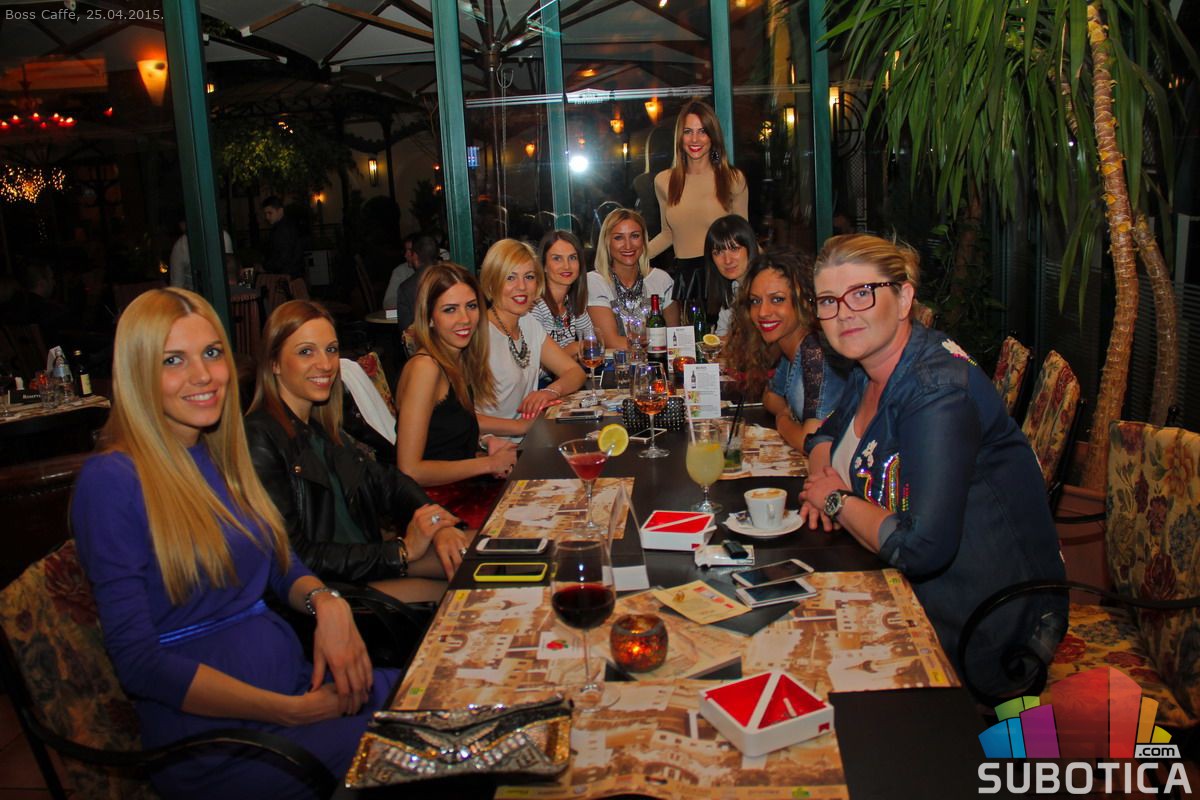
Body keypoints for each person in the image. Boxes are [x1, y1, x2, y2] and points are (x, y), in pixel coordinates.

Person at [70, 288, 395, 799]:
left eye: (211, 353)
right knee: (426, 742)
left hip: (292, 689)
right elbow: (138, 662)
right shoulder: (112, 481)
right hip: (222, 743)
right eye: (173, 360)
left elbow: (279, 563)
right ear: (136, 372)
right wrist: (288, 711)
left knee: (442, 688)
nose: (203, 375)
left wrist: (326, 602)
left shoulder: (220, 455)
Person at [797, 234, 1066, 697]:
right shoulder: (870, 366)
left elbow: (923, 548)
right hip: (905, 589)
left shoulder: (937, 393)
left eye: (862, 293)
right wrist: (824, 475)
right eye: (828, 301)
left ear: (904, 298)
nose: (843, 314)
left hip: (985, 626)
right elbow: (825, 432)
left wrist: (835, 499)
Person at [245, 300, 468, 604]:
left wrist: (437, 523)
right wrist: (400, 552)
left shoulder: (322, 426)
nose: (325, 364)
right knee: (469, 594)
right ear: (274, 362)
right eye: (306, 352)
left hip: (366, 562)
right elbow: (294, 556)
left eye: (331, 350)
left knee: (481, 552)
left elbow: (389, 482)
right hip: (325, 591)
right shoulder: (259, 437)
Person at [394, 263, 518, 529]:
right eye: (450, 309)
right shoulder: (425, 368)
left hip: (463, 490)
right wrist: (488, 464)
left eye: (471, 306)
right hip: (436, 508)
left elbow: (445, 440)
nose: (465, 319)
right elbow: (410, 470)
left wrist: (485, 444)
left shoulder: (457, 360)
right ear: (429, 318)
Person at [723, 252, 842, 449]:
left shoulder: (815, 354)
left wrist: (782, 420)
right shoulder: (789, 349)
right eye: (755, 301)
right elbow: (770, 396)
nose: (763, 312)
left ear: (804, 301)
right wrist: (786, 413)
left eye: (777, 299)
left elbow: (811, 443)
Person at [476, 239, 586, 439]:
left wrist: (550, 391)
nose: (522, 286)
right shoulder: (478, 333)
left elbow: (575, 372)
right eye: (510, 277)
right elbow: (459, 416)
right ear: (492, 282)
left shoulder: (527, 323)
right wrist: (519, 427)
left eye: (529, 277)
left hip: (530, 441)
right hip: (493, 447)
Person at [647, 99, 749, 301]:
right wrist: (632, 258)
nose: (695, 139)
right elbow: (668, 234)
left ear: (713, 136)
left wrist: (773, 268)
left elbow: (745, 237)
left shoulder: (733, 179)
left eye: (702, 131)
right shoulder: (664, 181)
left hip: (724, 277)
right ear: (680, 136)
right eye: (688, 131)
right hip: (686, 279)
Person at [587, 208, 681, 350]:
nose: (628, 245)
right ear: (607, 242)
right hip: (616, 363)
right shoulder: (595, 281)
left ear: (644, 240)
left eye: (635, 236)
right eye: (618, 238)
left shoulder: (661, 280)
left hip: (657, 361)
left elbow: (675, 338)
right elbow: (611, 341)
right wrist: (655, 343)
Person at [529, 230, 593, 359]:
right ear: (544, 266)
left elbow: (592, 342)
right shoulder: (535, 307)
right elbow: (536, 362)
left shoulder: (572, 302)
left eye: (572, 258)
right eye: (557, 258)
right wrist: (573, 348)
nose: (566, 266)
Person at [702, 215, 758, 336]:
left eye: (734, 249)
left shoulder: (765, 289)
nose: (727, 260)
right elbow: (722, 334)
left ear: (750, 248)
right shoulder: (732, 289)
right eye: (718, 252)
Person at [168, 217, 236, 292]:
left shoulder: (222, 237)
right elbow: (177, 288)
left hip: (220, 290)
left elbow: (230, 272)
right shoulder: (179, 248)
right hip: (194, 295)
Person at [391, 234, 441, 332]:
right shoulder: (451, 278)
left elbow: (407, 331)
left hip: (422, 339)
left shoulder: (406, 288)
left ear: (415, 256)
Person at [261, 196, 305, 278]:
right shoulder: (284, 225)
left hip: (287, 276)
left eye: (270, 213)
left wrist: (265, 267)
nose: (267, 217)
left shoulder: (283, 229)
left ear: (280, 211)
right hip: (290, 274)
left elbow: (283, 257)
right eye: (265, 214)